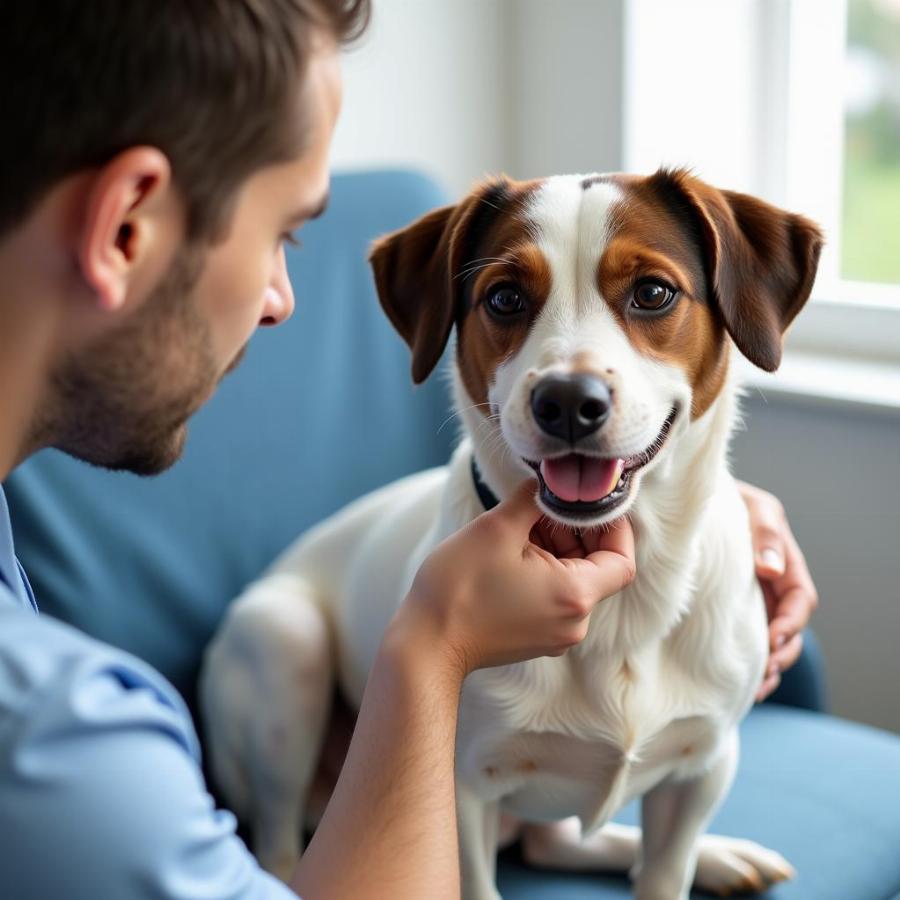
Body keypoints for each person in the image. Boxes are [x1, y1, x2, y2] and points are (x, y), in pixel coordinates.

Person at [0, 2, 817, 898]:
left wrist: (700, 506)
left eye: (651, 295)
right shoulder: (56, 736)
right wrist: (433, 645)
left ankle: (561, 842)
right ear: (124, 226)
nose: (283, 298)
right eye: (286, 233)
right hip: (338, 726)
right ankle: (279, 846)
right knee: (280, 632)